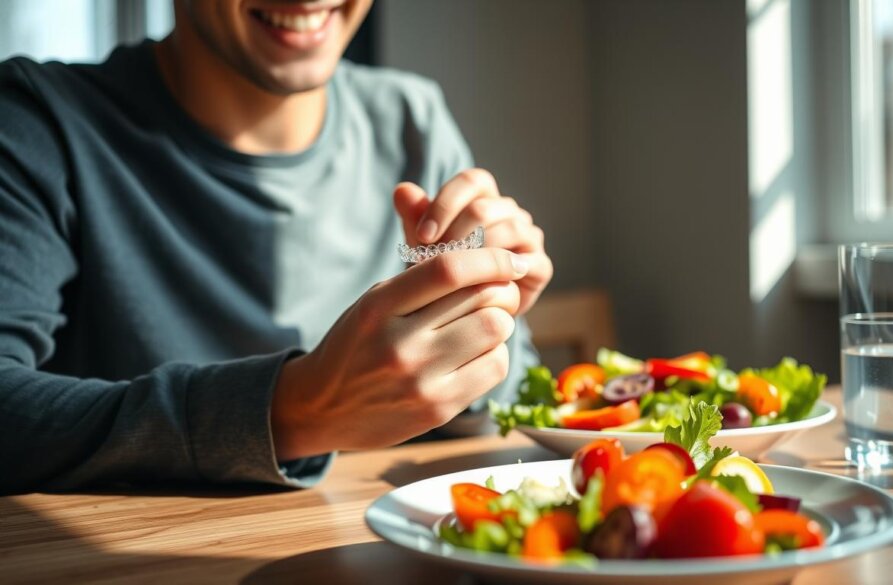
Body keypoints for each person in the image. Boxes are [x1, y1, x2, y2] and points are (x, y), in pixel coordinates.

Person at [0, 0, 553, 493]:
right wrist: (289, 412)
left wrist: (477, 321)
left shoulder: (412, 120)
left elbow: (500, 410)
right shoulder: (38, 121)